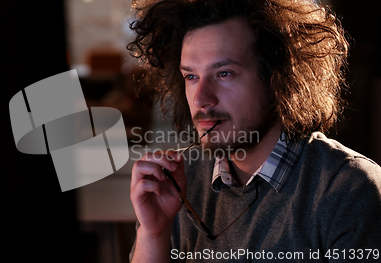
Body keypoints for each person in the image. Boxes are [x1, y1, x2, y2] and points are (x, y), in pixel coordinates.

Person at [127, 0, 381, 262]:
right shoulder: (175, 182)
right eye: (191, 77)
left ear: (278, 77)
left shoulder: (349, 191)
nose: (201, 98)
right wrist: (154, 234)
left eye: (224, 73)